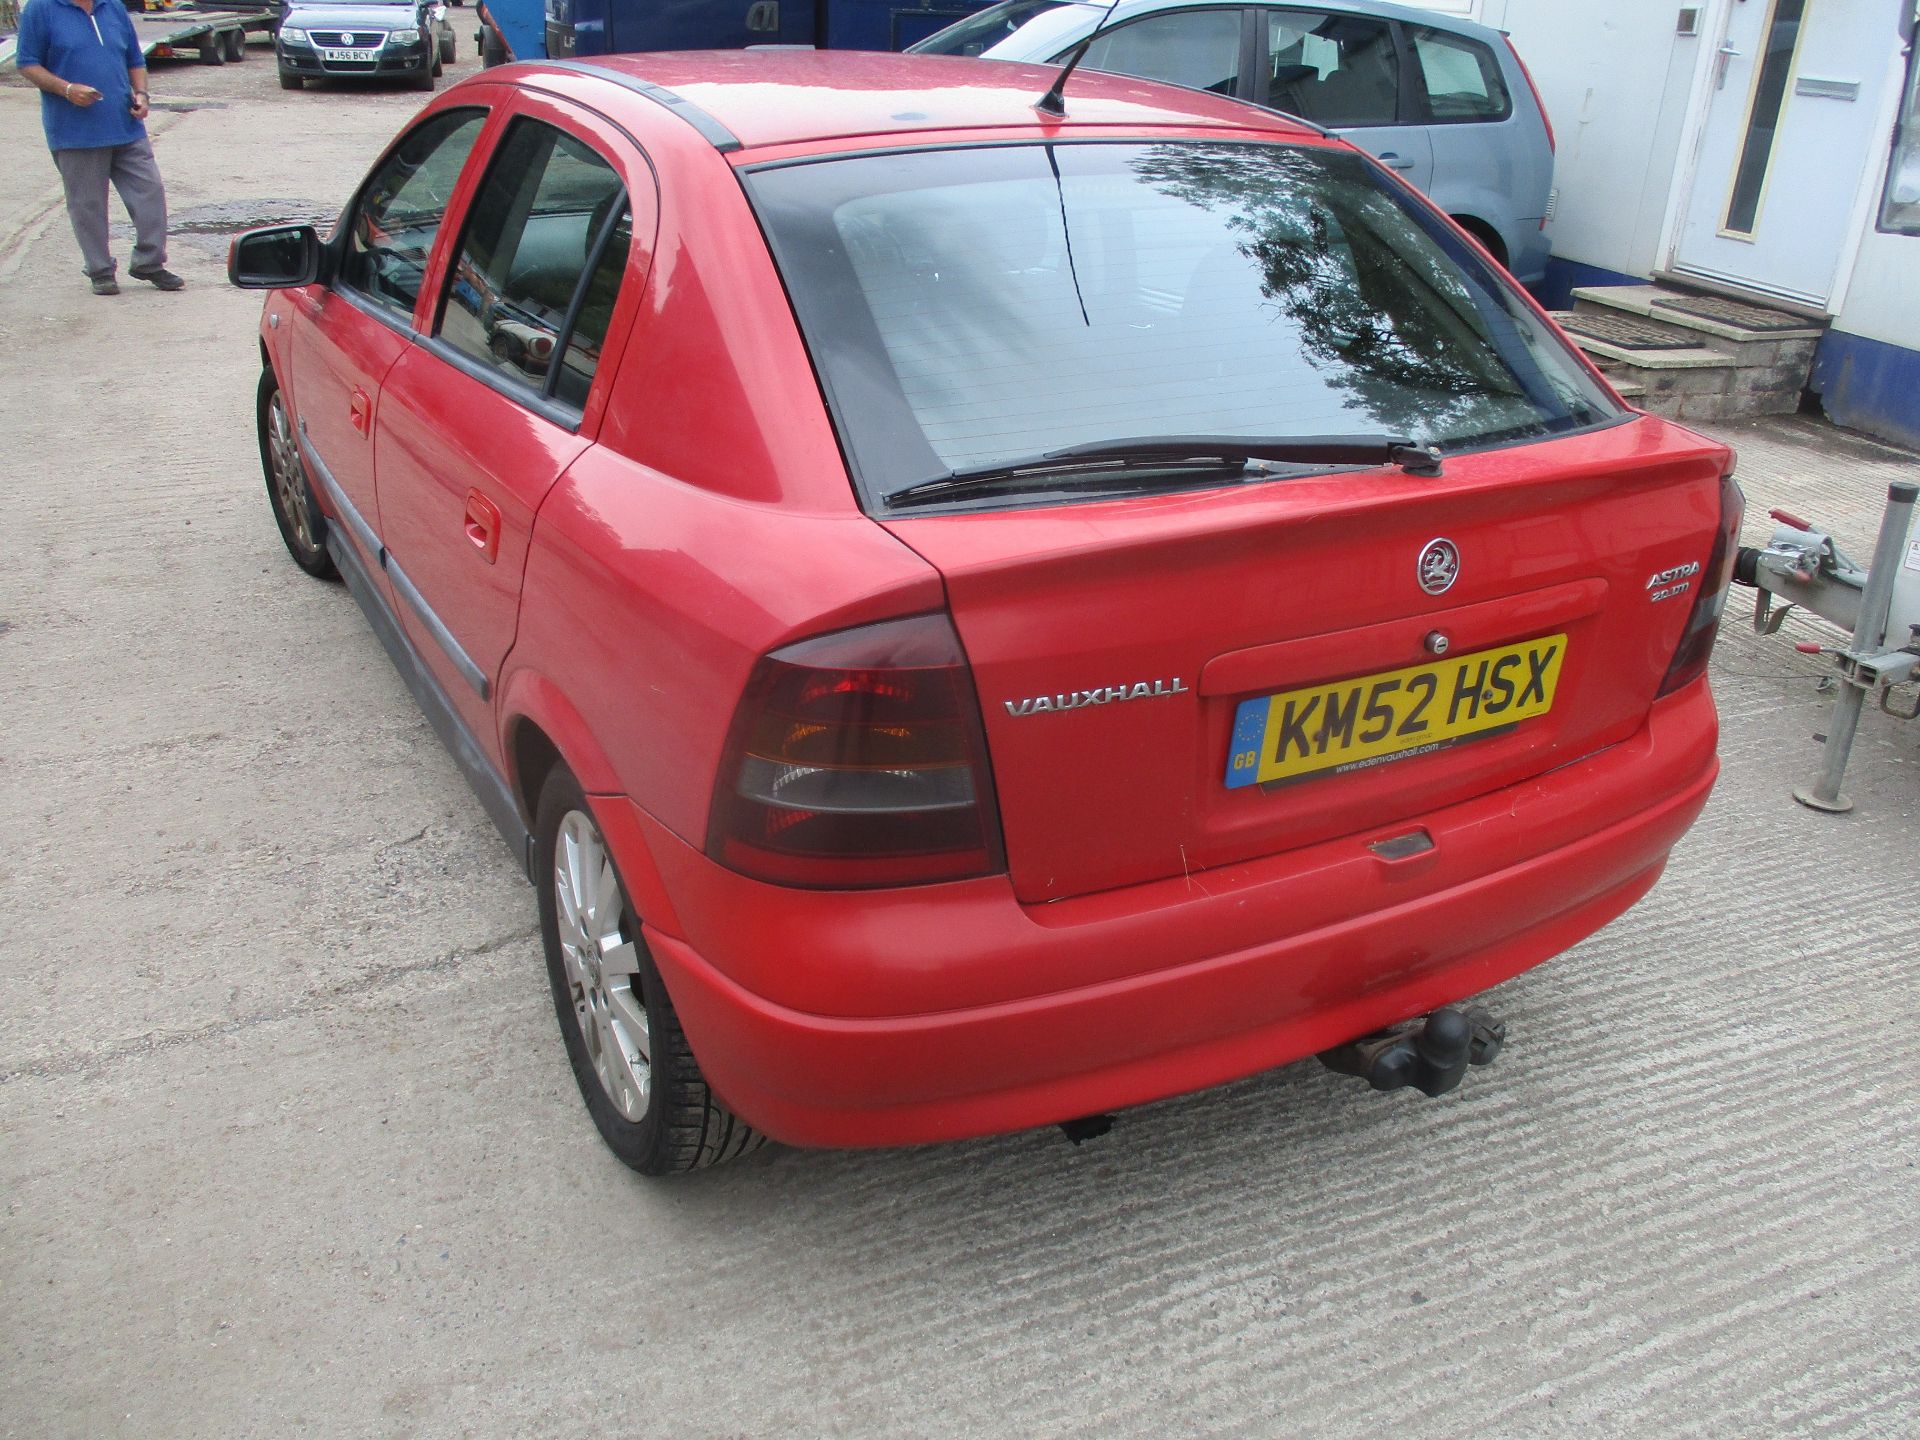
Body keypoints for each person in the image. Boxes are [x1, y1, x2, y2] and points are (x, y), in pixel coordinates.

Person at [16, 0, 183, 296]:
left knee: (150, 193)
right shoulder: (40, 9)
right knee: (87, 205)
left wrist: (142, 95)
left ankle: (149, 262)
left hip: (126, 124)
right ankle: (100, 270)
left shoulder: (113, 7)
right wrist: (66, 89)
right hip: (74, 130)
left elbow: (134, 59)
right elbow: (27, 63)